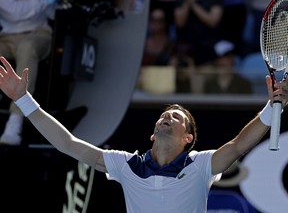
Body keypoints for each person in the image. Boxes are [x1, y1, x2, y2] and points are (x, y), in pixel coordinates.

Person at [0, 56, 287, 212]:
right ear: (152, 135)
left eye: (177, 117)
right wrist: (23, 99)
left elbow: (238, 146)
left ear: (188, 138)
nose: (167, 116)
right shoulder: (126, 166)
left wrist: (271, 108)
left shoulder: (200, 166)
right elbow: (67, 143)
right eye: (164, 114)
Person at [0, 0, 59, 145]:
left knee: (27, 47)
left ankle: (16, 120)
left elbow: (52, 12)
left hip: (38, 34)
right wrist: (44, 2)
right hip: (7, 37)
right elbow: (13, 12)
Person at [173, 0, 224, 93]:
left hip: (206, 57)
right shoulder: (183, 0)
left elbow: (213, 21)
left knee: (198, 87)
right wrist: (187, 2)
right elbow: (180, 22)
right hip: (185, 57)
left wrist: (193, 4)